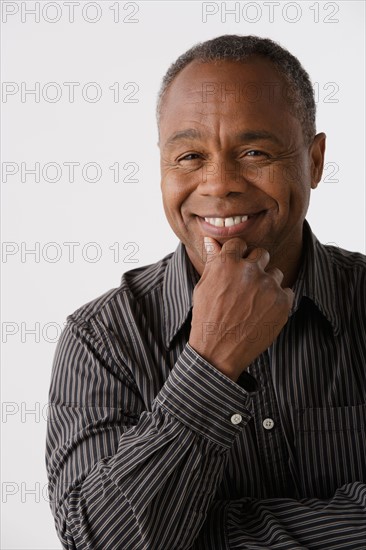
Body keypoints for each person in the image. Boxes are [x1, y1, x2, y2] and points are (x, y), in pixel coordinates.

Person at [46, 35, 366, 549]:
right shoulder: (101, 340)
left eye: (255, 151)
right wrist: (211, 360)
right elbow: (98, 543)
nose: (219, 184)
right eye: (190, 156)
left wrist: (196, 536)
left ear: (315, 159)